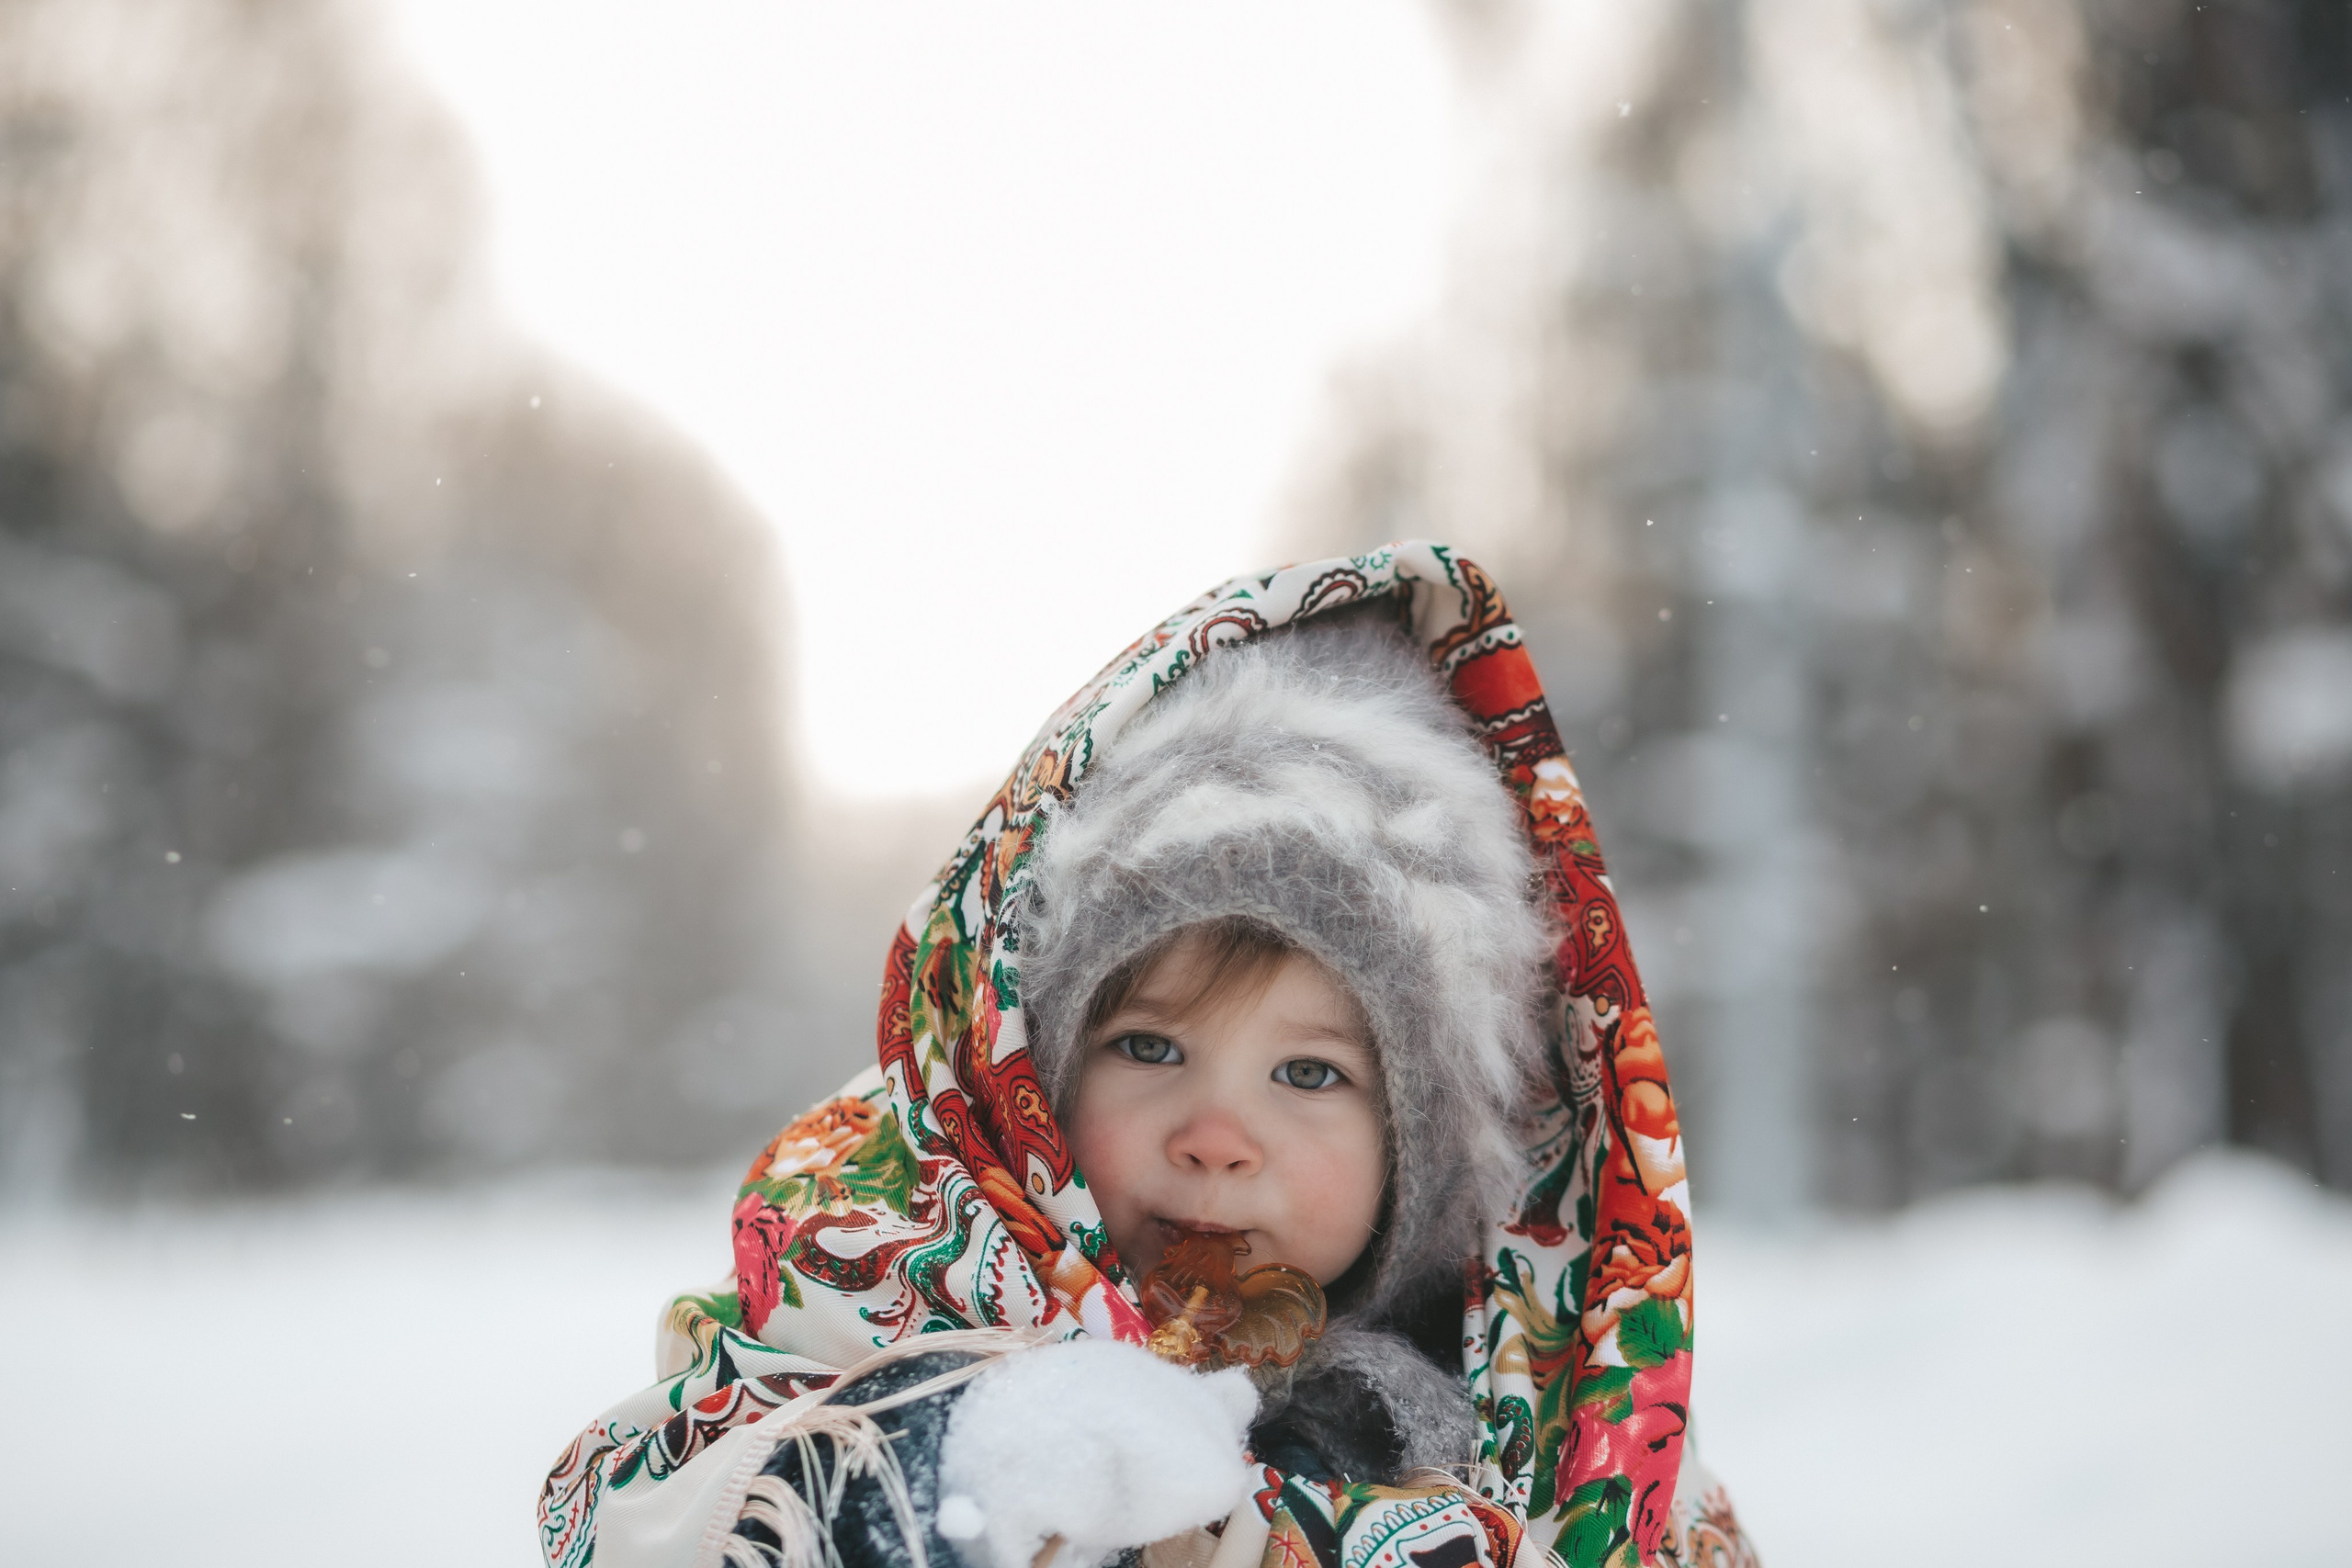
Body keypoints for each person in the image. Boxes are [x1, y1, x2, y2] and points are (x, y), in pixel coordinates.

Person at [539, 544, 1758, 1568]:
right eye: (1150, 1045)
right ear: (1035, 1071)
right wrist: (915, 1479)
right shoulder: (884, 1271)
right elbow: (630, 1515)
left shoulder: (1550, 1415)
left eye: (1310, 1074)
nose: (1215, 1137)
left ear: (1427, 1151)